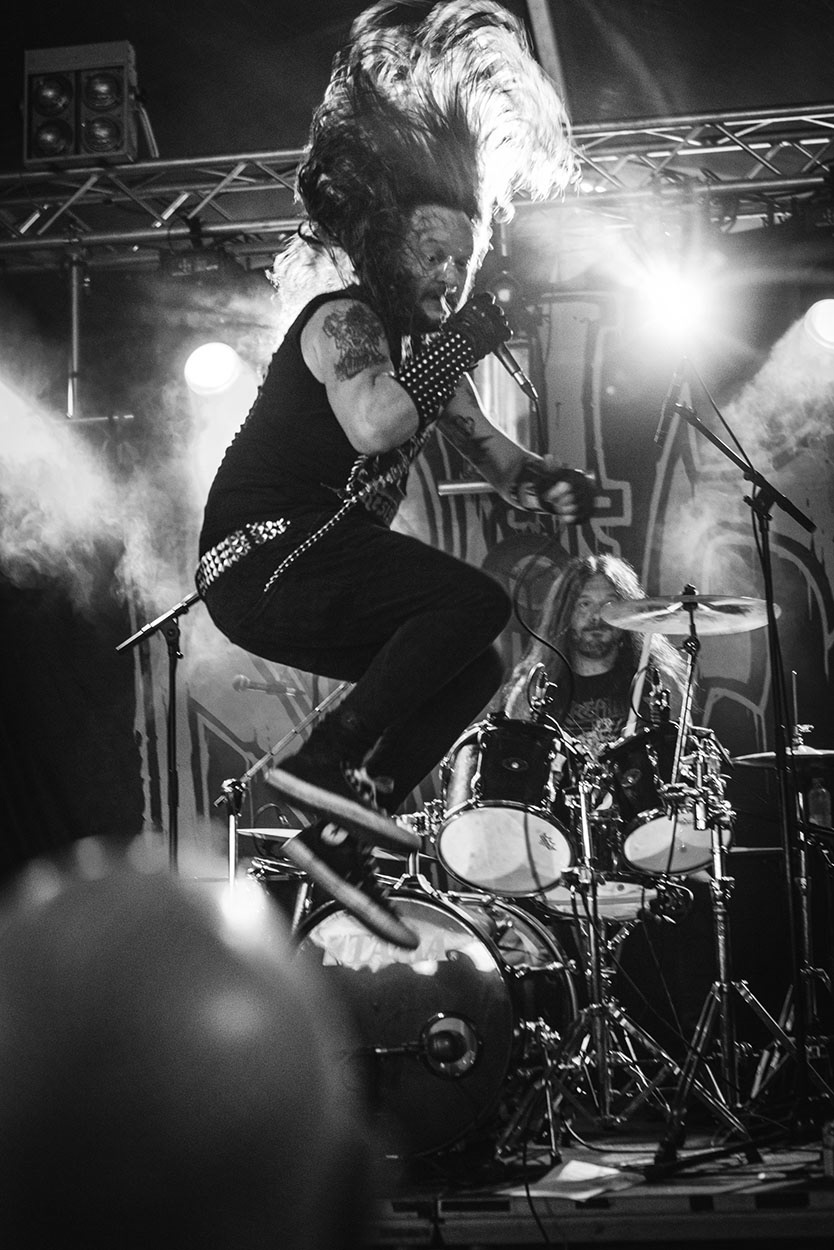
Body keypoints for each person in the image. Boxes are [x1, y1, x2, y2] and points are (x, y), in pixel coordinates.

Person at [196, 1, 595, 949]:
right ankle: (323, 766)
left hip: (309, 569)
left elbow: (496, 460)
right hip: (262, 556)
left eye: (466, 260)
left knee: (477, 658)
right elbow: (375, 420)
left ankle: (343, 828)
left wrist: (548, 480)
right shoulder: (344, 320)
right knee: (473, 603)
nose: (453, 274)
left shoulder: (426, 360)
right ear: (387, 240)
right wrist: (465, 338)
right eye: (434, 252)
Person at [502, 552, 717, 1057]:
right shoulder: (534, 690)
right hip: (559, 853)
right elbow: (511, 785)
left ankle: (681, 1056)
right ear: (565, 612)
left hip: (638, 851)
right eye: (583, 604)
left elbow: (679, 776)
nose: (596, 616)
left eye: (609, 604)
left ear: (629, 614)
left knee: (700, 891)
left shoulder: (657, 685)